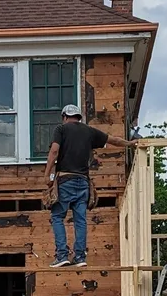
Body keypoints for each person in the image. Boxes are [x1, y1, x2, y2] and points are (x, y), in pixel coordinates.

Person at [43, 105, 131, 268]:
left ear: (64, 117)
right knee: (80, 221)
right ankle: (80, 257)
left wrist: (48, 174)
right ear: (79, 117)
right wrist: (130, 144)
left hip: (65, 180)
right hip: (83, 182)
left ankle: (62, 255)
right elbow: (114, 140)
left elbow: (54, 151)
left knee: (57, 216)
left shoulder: (61, 129)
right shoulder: (89, 131)